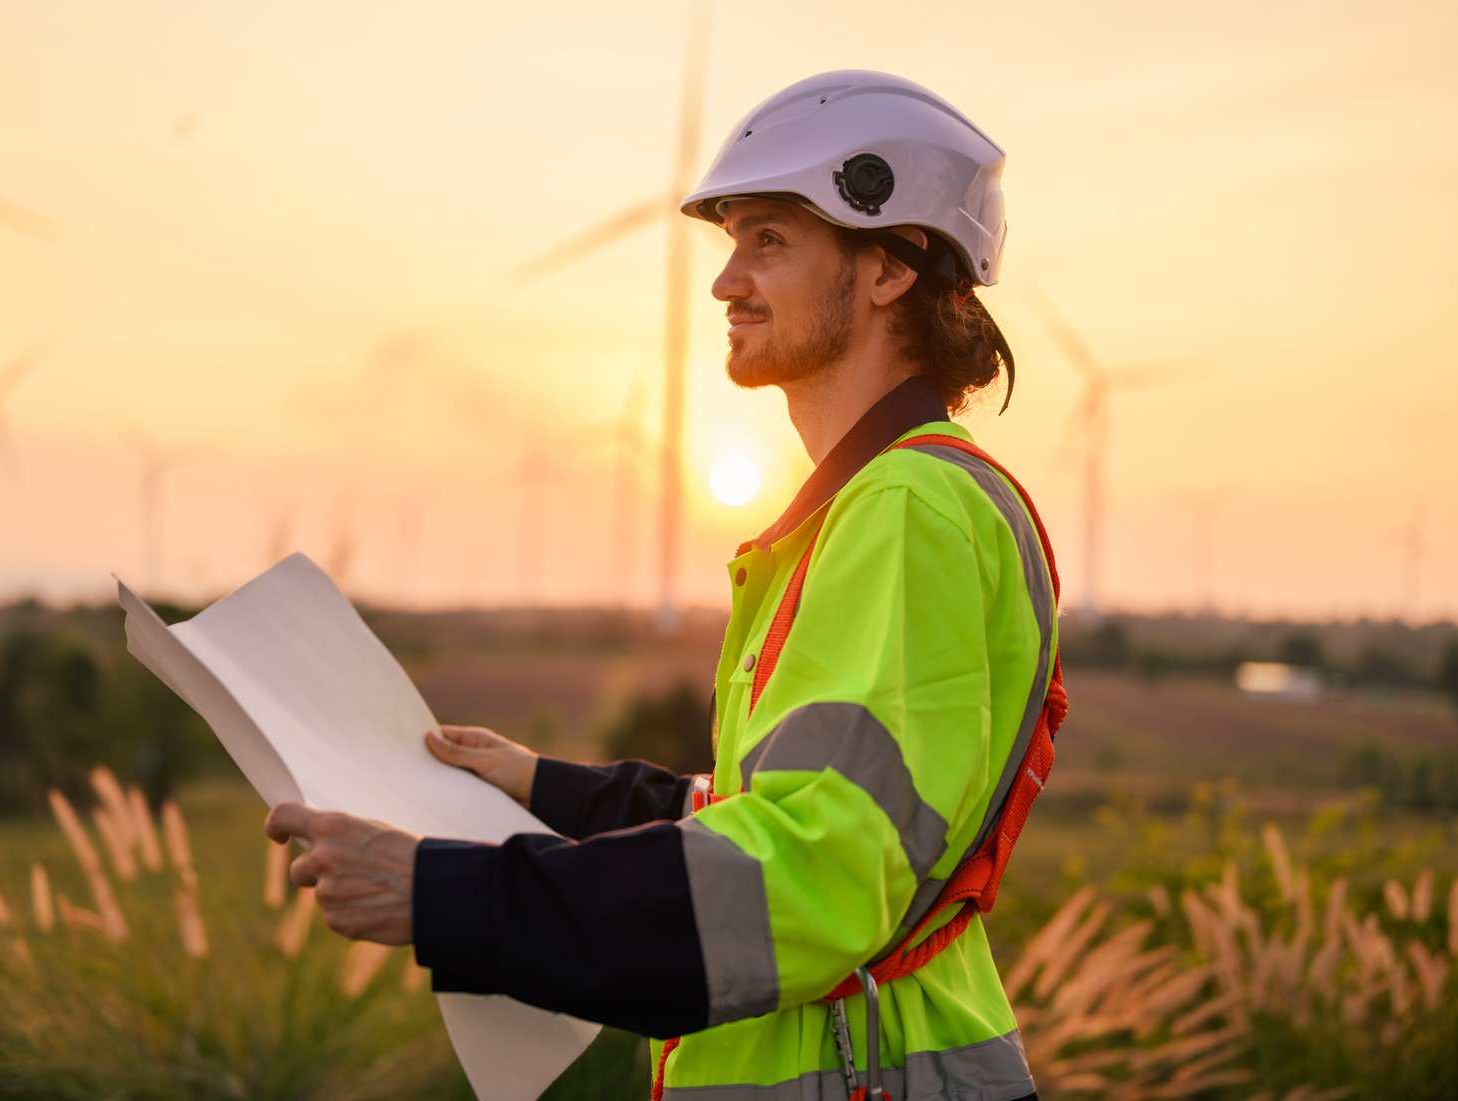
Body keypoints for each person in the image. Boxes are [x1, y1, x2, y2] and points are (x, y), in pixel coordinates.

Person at [266, 70, 1059, 1100]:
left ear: (887, 271)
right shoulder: (882, 502)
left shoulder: (903, 506)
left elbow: (812, 875)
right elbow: (772, 808)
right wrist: (546, 787)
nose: (726, 282)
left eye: (768, 240)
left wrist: (443, 895)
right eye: (731, 242)